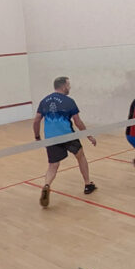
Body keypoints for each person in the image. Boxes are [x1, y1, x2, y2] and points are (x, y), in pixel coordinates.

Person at [32, 76, 97, 207]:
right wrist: (89, 136)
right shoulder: (69, 101)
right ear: (63, 86)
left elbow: (36, 120)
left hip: (51, 138)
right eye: (68, 85)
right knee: (80, 156)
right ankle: (87, 184)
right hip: (67, 136)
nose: (69, 87)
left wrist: (37, 137)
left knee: (53, 166)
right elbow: (78, 122)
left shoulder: (44, 101)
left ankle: (46, 186)